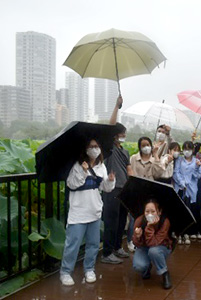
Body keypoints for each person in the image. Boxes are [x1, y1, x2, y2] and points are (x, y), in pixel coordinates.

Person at [60, 139, 116, 286]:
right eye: (91, 146)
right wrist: (83, 172)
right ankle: (66, 272)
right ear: (85, 149)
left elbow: (106, 188)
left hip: (94, 211)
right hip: (78, 212)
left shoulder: (101, 166)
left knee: (93, 244)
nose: (95, 149)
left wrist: (110, 181)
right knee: (73, 244)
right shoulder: (77, 165)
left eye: (97, 146)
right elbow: (71, 184)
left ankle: (89, 269)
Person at [101, 96, 133, 264]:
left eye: (124, 134)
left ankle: (117, 247)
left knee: (121, 221)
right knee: (111, 221)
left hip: (124, 189)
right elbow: (111, 125)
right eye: (120, 134)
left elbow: (129, 170)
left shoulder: (125, 152)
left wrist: (133, 183)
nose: (122, 136)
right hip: (111, 188)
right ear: (114, 136)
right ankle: (107, 253)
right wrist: (116, 106)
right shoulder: (109, 148)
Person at [127, 136, 164, 252]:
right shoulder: (133, 158)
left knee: (148, 216)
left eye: (147, 145)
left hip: (149, 194)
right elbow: (129, 172)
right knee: (133, 217)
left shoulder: (154, 160)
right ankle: (132, 240)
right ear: (139, 147)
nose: (145, 147)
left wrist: (156, 155)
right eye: (143, 145)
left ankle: (147, 239)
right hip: (135, 192)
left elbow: (159, 173)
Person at [132, 199, 173, 289]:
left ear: (159, 212)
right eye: (147, 211)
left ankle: (165, 273)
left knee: (153, 251)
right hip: (144, 247)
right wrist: (137, 237)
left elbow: (154, 243)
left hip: (161, 247)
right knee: (139, 266)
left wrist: (149, 227)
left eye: (153, 211)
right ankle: (147, 267)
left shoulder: (164, 222)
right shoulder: (139, 220)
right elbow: (136, 243)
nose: (149, 214)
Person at [173, 141, 201, 244]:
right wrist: (182, 182)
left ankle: (188, 232)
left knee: (190, 210)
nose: (187, 151)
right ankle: (179, 233)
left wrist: (197, 167)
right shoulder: (179, 160)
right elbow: (176, 172)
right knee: (180, 210)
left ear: (193, 150)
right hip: (180, 188)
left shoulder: (196, 161)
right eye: (185, 149)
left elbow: (198, 176)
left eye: (189, 149)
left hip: (192, 189)